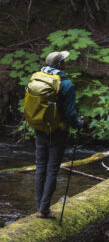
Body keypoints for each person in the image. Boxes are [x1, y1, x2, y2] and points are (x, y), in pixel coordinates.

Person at [34, 51, 82, 219]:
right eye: (64, 61)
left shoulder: (37, 77)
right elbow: (69, 114)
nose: (65, 62)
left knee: (40, 166)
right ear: (59, 64)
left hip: (39, 128)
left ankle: (39, 206)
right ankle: (44, 210)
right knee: (52, 168)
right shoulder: (66, 84)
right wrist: (78, 124)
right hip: (58, 132)